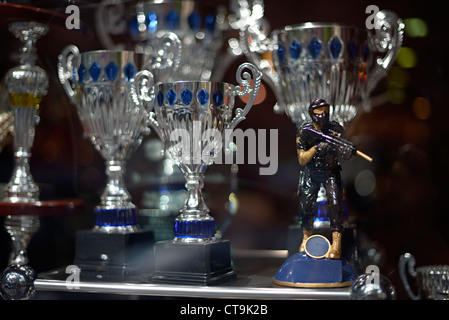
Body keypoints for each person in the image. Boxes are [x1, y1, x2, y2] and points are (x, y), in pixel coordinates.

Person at [296, 98, 352, 259]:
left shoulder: (336, 129)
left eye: (326, 112)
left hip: (331, 171)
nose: (324, 116)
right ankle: (306, 238)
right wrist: (317, 147)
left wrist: (346, 149)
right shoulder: (304, 131)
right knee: (306, 204)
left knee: (335, 204)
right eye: (320, 113)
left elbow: (346, 154)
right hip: (311, 171)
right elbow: (302, 159)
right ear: (313, 115)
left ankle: (336, 244)